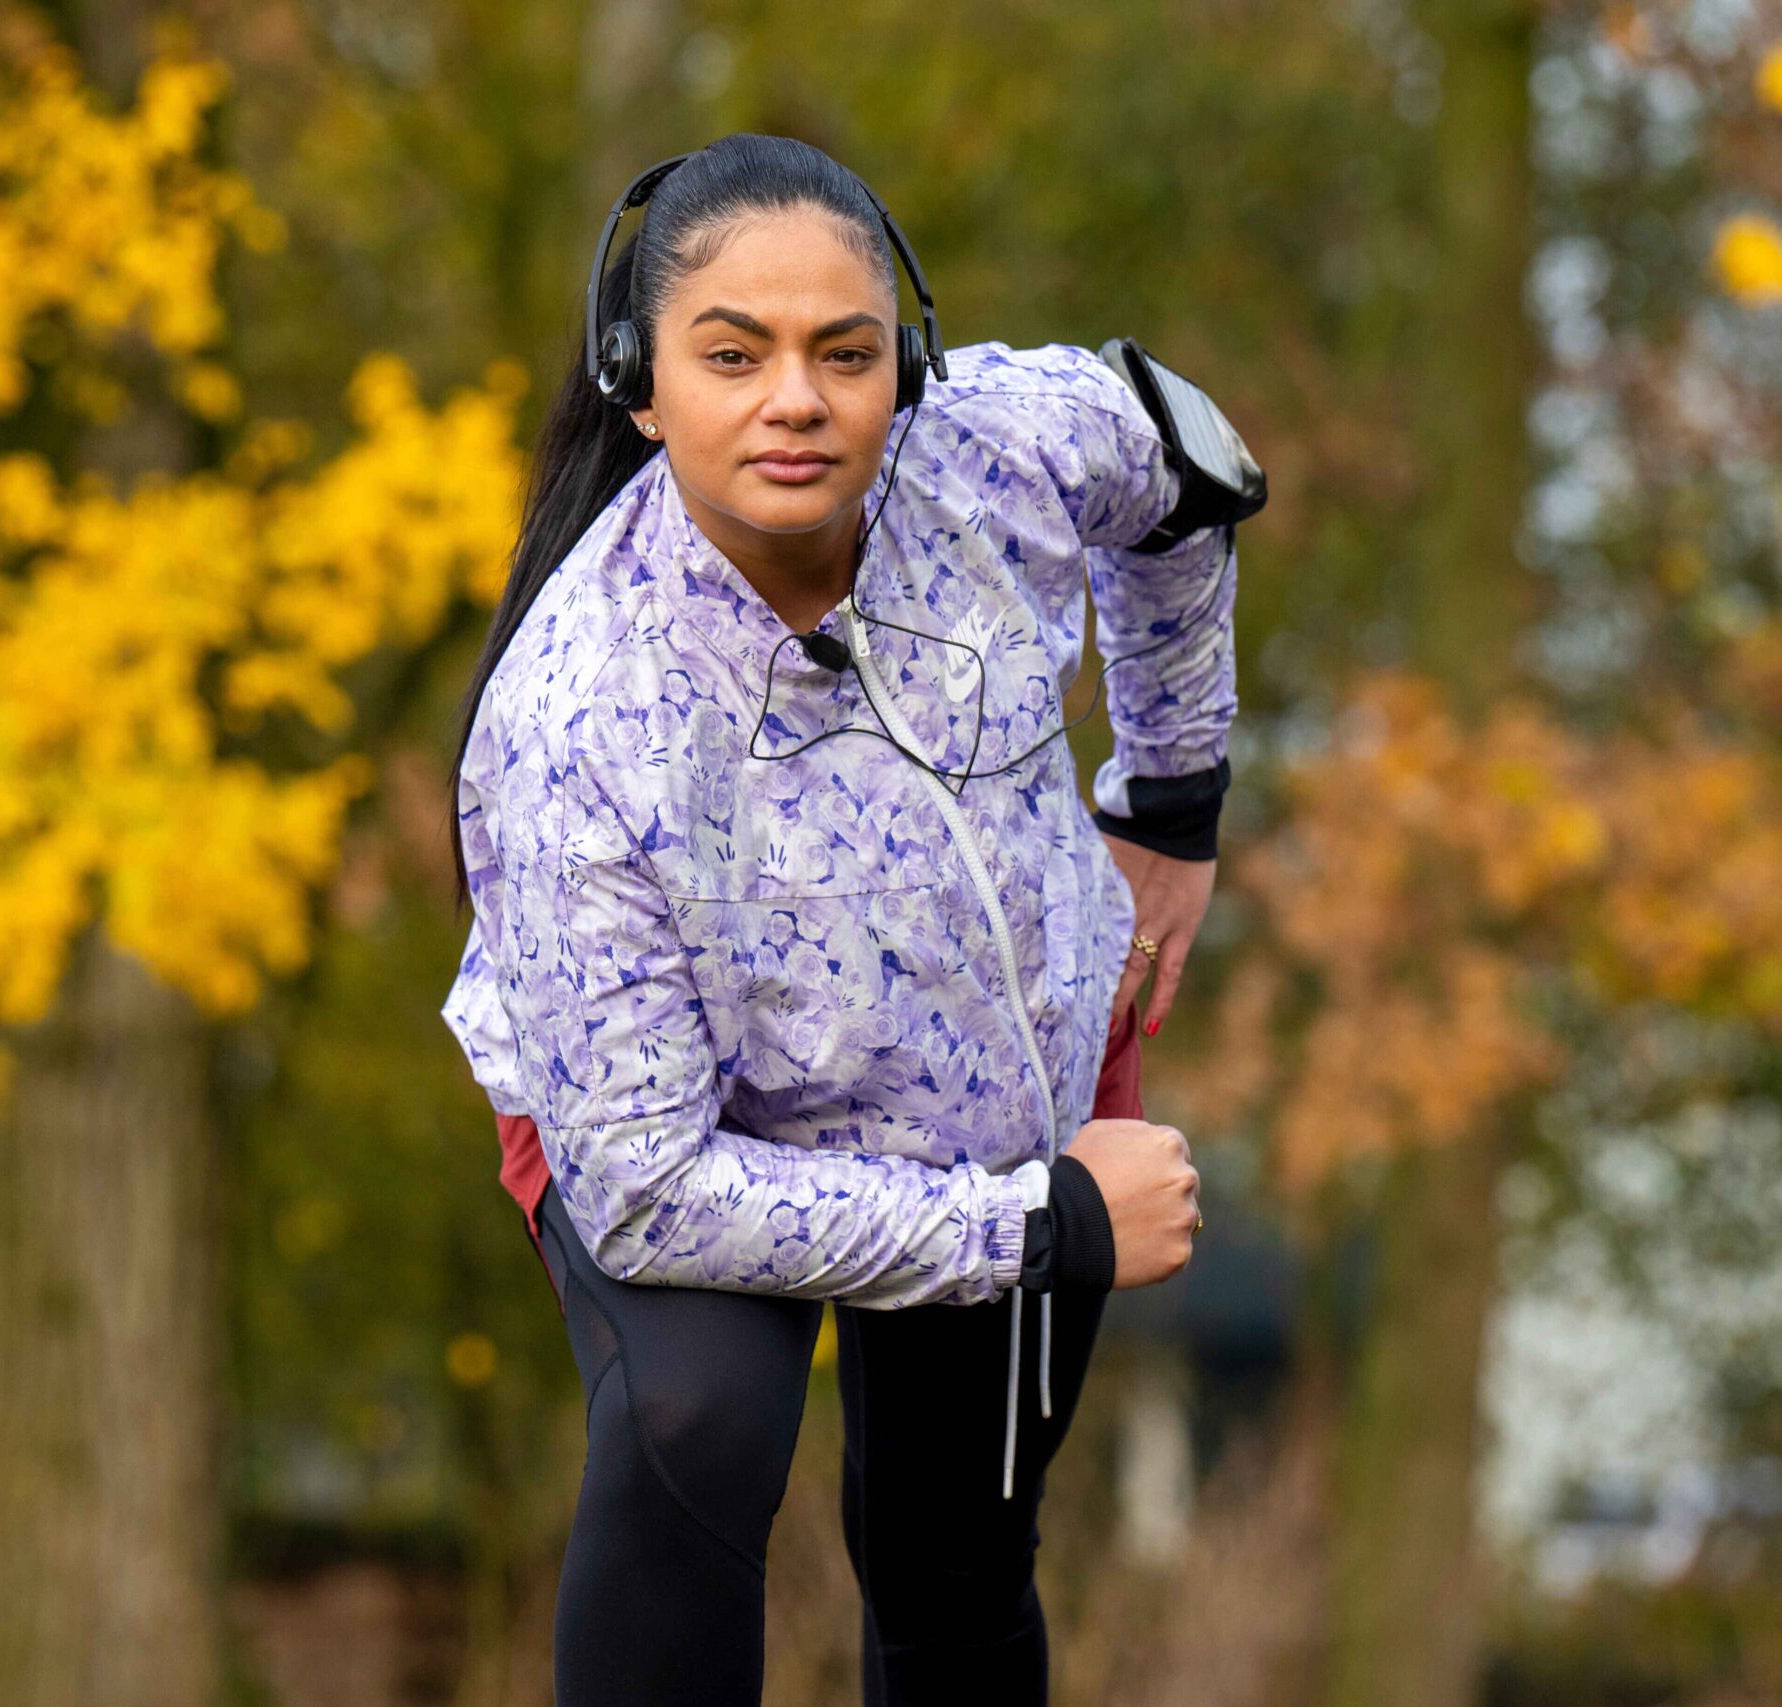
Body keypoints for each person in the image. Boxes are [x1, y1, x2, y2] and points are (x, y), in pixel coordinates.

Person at [438, 131, 1251, 1705]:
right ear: (640, 377)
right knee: (699, 1424)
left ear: (910, 363)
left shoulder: (999, 453)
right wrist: (1043, 1229)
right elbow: (654, 1193)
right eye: (732, 355)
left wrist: (1173, 796)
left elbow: (1188, 473)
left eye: (845, 352)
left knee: (954, 1560)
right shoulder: (578, 717)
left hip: (997, 1092)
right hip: (681, 1126)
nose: (796, 399)